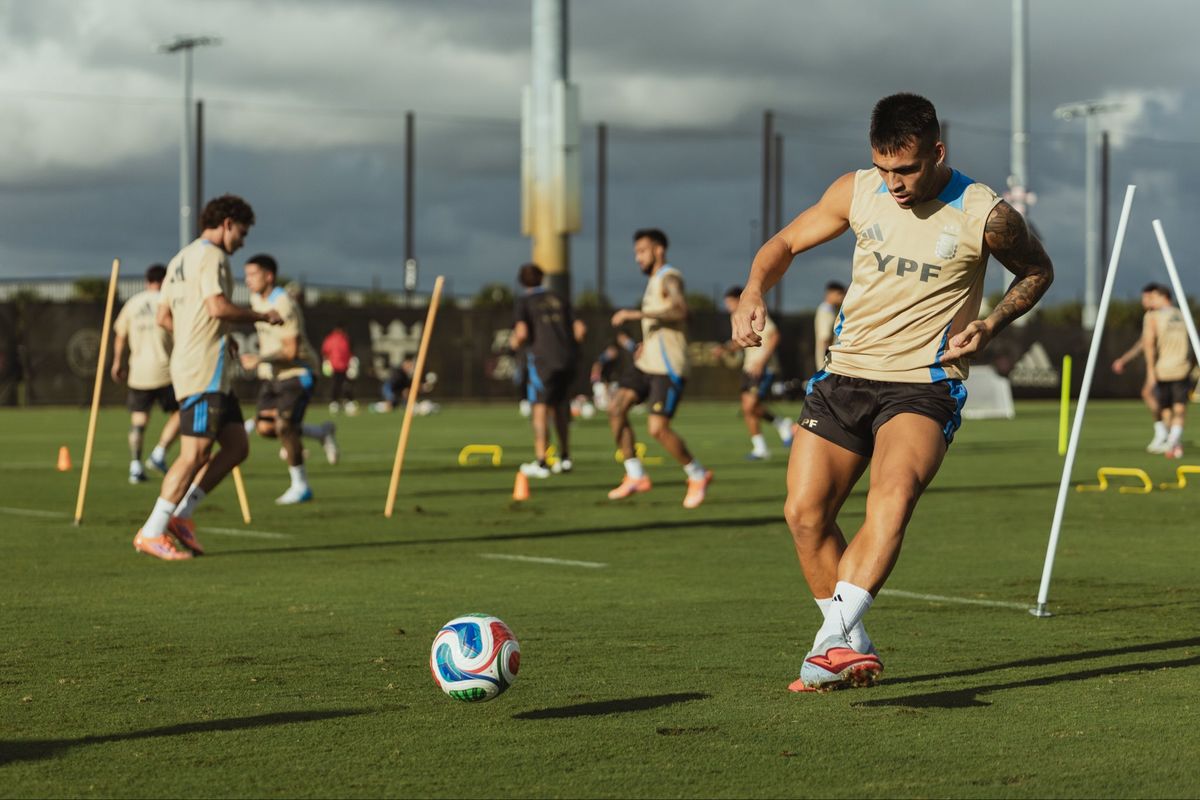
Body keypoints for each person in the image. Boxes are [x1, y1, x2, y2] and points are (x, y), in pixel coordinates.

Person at [731, 93, 1053, 691]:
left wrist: (992, 322)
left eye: (904, 169)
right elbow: (784, 245)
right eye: (883, 168)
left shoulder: (986, 214)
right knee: (804, 516)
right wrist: (754, 291)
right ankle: (849, 643)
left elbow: (1037, 271)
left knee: (895, 490)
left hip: (923, 385)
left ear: (937, 152)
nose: (894, 183)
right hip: (844, 375)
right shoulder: (857, 190)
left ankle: (829, 643)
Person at [133, 194, 283, 561]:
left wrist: (214, 336)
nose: (243, 242)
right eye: (242, 233)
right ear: (228, 223)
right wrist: (262, 316)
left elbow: (164, 318)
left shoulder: (179, 259)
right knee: (195, 453)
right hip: (203, 369)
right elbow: (217, 306)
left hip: (200, 363)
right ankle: (152, 531)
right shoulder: (213, 256)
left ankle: (181, 516)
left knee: (236, 446)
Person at [608, 228, 713, 508]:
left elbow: (681, 311)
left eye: (641, 251)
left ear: (658, 250)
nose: (637, 258)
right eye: (635, 253)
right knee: (615, 408)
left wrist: (636, 314)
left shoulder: (669, 276)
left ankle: (697, 474)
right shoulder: (654, 280)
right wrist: (645, 342)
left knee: (657, 429)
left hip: (668, 366)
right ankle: (635, 475)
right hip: (647, 363)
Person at [241, 254, 339, 505]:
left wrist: (261, 359)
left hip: (299, 372)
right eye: (247, 274)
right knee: (265, 428)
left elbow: (291, 351)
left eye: (253, 274)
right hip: (273, 375)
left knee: (285, 427)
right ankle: (320, 433)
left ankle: (301, 486)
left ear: (269, 276)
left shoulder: (284, 303)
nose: (248, 280)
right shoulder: (255, 299)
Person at [510, 263, 586, 477]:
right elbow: (580, 330)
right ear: (542, 278)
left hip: (543, 361)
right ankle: (565, 458)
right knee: (561, 407)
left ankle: (541, 462)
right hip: (567, 359)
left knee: (540, 408)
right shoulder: (559, 298)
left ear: (522, 281)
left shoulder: (524, 301)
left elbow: (522, 334)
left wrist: (514, 343)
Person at [110, 264, 180, 484]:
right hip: (166, 370)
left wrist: (116, 362)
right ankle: (159, 453)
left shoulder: (133, 303)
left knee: (139, 421)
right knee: (182, 413)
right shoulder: (168, 301)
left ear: (146, 281)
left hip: (139, 372)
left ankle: (135, 466)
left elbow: (120, 336)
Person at [713, 286, 794, 459]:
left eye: (729, 302)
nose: (727, 306)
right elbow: (741, 341)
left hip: (762, 367)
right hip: (748, 368)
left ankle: (781, 427)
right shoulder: (735, 317)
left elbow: (774, 336)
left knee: (750, 406)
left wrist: (761, 362)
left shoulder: (754, 311)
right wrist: (725, 349)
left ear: (738, 300)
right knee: (748, 408)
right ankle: (762, 445)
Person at [1111, 285, 1167, 452]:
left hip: (1165, 366)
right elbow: (1143, 343)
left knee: (1154, 395)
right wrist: (1124, 360)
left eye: (1146, 298)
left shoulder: (1159, 316)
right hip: (1160, 365)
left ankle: (1165, 434)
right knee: (1159, 398)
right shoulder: (1152, 316)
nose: (1143, 301)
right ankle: (1165, 433)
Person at [1141, 283, 1193, 458]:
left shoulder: (1152, 316)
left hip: (1167, 369)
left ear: (1163, 297)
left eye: (1153, 297)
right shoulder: (1183, 313)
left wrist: (1150, 372)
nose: (1150, 300)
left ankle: (1170, 440)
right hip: (1178, 369)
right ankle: (1172, 441)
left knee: (1171, 409)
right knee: (1175, 409)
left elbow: (1148, 345)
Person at [321, 323, 358, 415]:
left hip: (344, 366)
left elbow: (349, 352)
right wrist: (327, 363)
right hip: (336, 366)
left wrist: (352, 363)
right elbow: (325, 352)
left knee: (346, 385)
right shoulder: (331, 338)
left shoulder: (345, 338)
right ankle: (334, 403)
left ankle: (348, 403)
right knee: (336, 385)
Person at [813, 281, 846, 374]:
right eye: (839, 293)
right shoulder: (825, 311)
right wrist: (828, 361)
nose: (842, 297)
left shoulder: (832, 310)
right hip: (829, 364)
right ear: (830, 294)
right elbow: (825, 338)